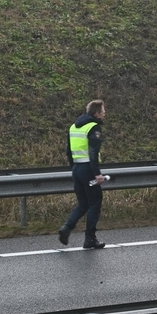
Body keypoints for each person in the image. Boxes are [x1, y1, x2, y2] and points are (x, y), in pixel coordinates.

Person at [58, 99, 108, 249]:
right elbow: (93, 153)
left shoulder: (74, 126)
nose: (105, 113)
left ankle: (66, 228)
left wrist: (74, 168)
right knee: (95, 202)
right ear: (97, 113)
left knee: (83, 203)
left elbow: (68, 151)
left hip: (77, 169)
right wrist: (97, 174)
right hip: (88, 170)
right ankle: (90, 239)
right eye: (103, 111)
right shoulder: (94, 128)